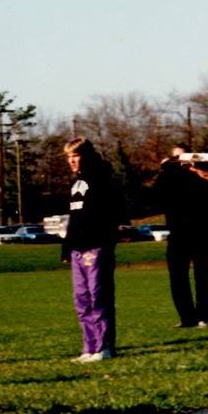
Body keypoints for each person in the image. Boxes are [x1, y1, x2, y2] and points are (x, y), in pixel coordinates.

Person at [154, 143, 208, 328]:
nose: (182, 162)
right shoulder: (169, 176)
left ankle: (204, 316)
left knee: (203, 276)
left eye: (184, 157)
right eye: (177, 158)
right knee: (177, 276)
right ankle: (186, 317)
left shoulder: (205, 174)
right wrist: (163, 170)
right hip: (178, 233)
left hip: (203, 232)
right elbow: (157, 196)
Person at [62, 138, 120, 363]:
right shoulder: (76, 184)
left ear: (86, 156)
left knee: (98, 297)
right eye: (69, 157)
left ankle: (104, 346)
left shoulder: (102, 180)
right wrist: (67, 247)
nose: (72, 161)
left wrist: (102, 242)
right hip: (77, 250)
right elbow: (74, 219)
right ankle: (89, 346)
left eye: (75, 156)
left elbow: (109, 215)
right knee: (82, 299)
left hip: (96, 248)